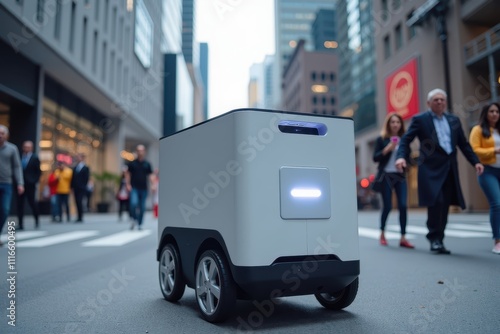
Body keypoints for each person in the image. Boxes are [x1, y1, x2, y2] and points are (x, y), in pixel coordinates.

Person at [395, 88, 484, 254]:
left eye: (442, 99)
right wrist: (400, 157)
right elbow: (406, 140)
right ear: (429, 103)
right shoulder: (420, 119)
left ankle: (439, 238)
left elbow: (463, 145)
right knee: (437, 201)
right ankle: (434, 238)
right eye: (436, 99)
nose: (439, 102)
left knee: (445, 204)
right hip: (430, 168)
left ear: (446, 102)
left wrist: (475, 162)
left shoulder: (454, 120)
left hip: (450, 167)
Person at [373, 113, 413, 248]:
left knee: (402, 205)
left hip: (400, 176)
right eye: (393, 122)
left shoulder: (405, 140)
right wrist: (387, 149)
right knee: (388, 206)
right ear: (388, 124)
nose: (395, 124)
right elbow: (375, 158)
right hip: (386, 176)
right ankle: (382, 233)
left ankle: (403, 237)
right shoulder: (382, 139)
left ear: (401, 124)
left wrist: (406, 163)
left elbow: (410, 159)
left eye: (398, 122)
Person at [469, 102, 500, 254]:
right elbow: (474, 150)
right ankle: (498, 241)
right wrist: (494, 150)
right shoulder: (478, 130)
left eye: (497, 111)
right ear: (485, 113)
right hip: (488, 171)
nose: (495, 114)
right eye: (491, 111)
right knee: (497, 204)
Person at [0, 125, 24, 246]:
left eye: (2, 133)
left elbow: (17, 166)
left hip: (7, 184)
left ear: (6, 135)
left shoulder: (12, 149)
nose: (0, 135)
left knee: (4, 210)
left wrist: (20, 183)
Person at [125, 145, 154, 230]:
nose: (140, 152)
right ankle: (134, 218)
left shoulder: (147, 164)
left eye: (142, 150)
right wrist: (128, 184)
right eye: (138, 150)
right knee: (133, 203)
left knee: (142, 207)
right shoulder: (132, 163)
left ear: (144, 152)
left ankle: (140, 223)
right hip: (134, 187)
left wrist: (153, 184)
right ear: (136, 152)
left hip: (144, 188)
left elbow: (151, 175)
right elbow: (127, 174)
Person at [17, 140, 41, 230]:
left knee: (32, 203)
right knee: (20, 204)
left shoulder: (35, 158)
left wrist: (34, 181)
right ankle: (20, 224)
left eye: (28, 147)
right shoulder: (19, 156)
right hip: (20, 184)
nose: (26, 149)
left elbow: (38, 172)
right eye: (25, 147)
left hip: (30, 185)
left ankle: (37, 220)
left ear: (31, 148)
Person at [71, 153, 90, 222]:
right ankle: (78, 216)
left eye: (79, 157)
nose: (77, 158)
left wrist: (84, 186)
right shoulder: (75, 168)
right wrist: (72, 187)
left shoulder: (86, 168)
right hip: (75, 188)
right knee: (76, 202)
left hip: (82, 188)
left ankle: (80, 216)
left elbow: (86, 178)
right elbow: (72, 178)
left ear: (82, 158)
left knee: (79, 201)